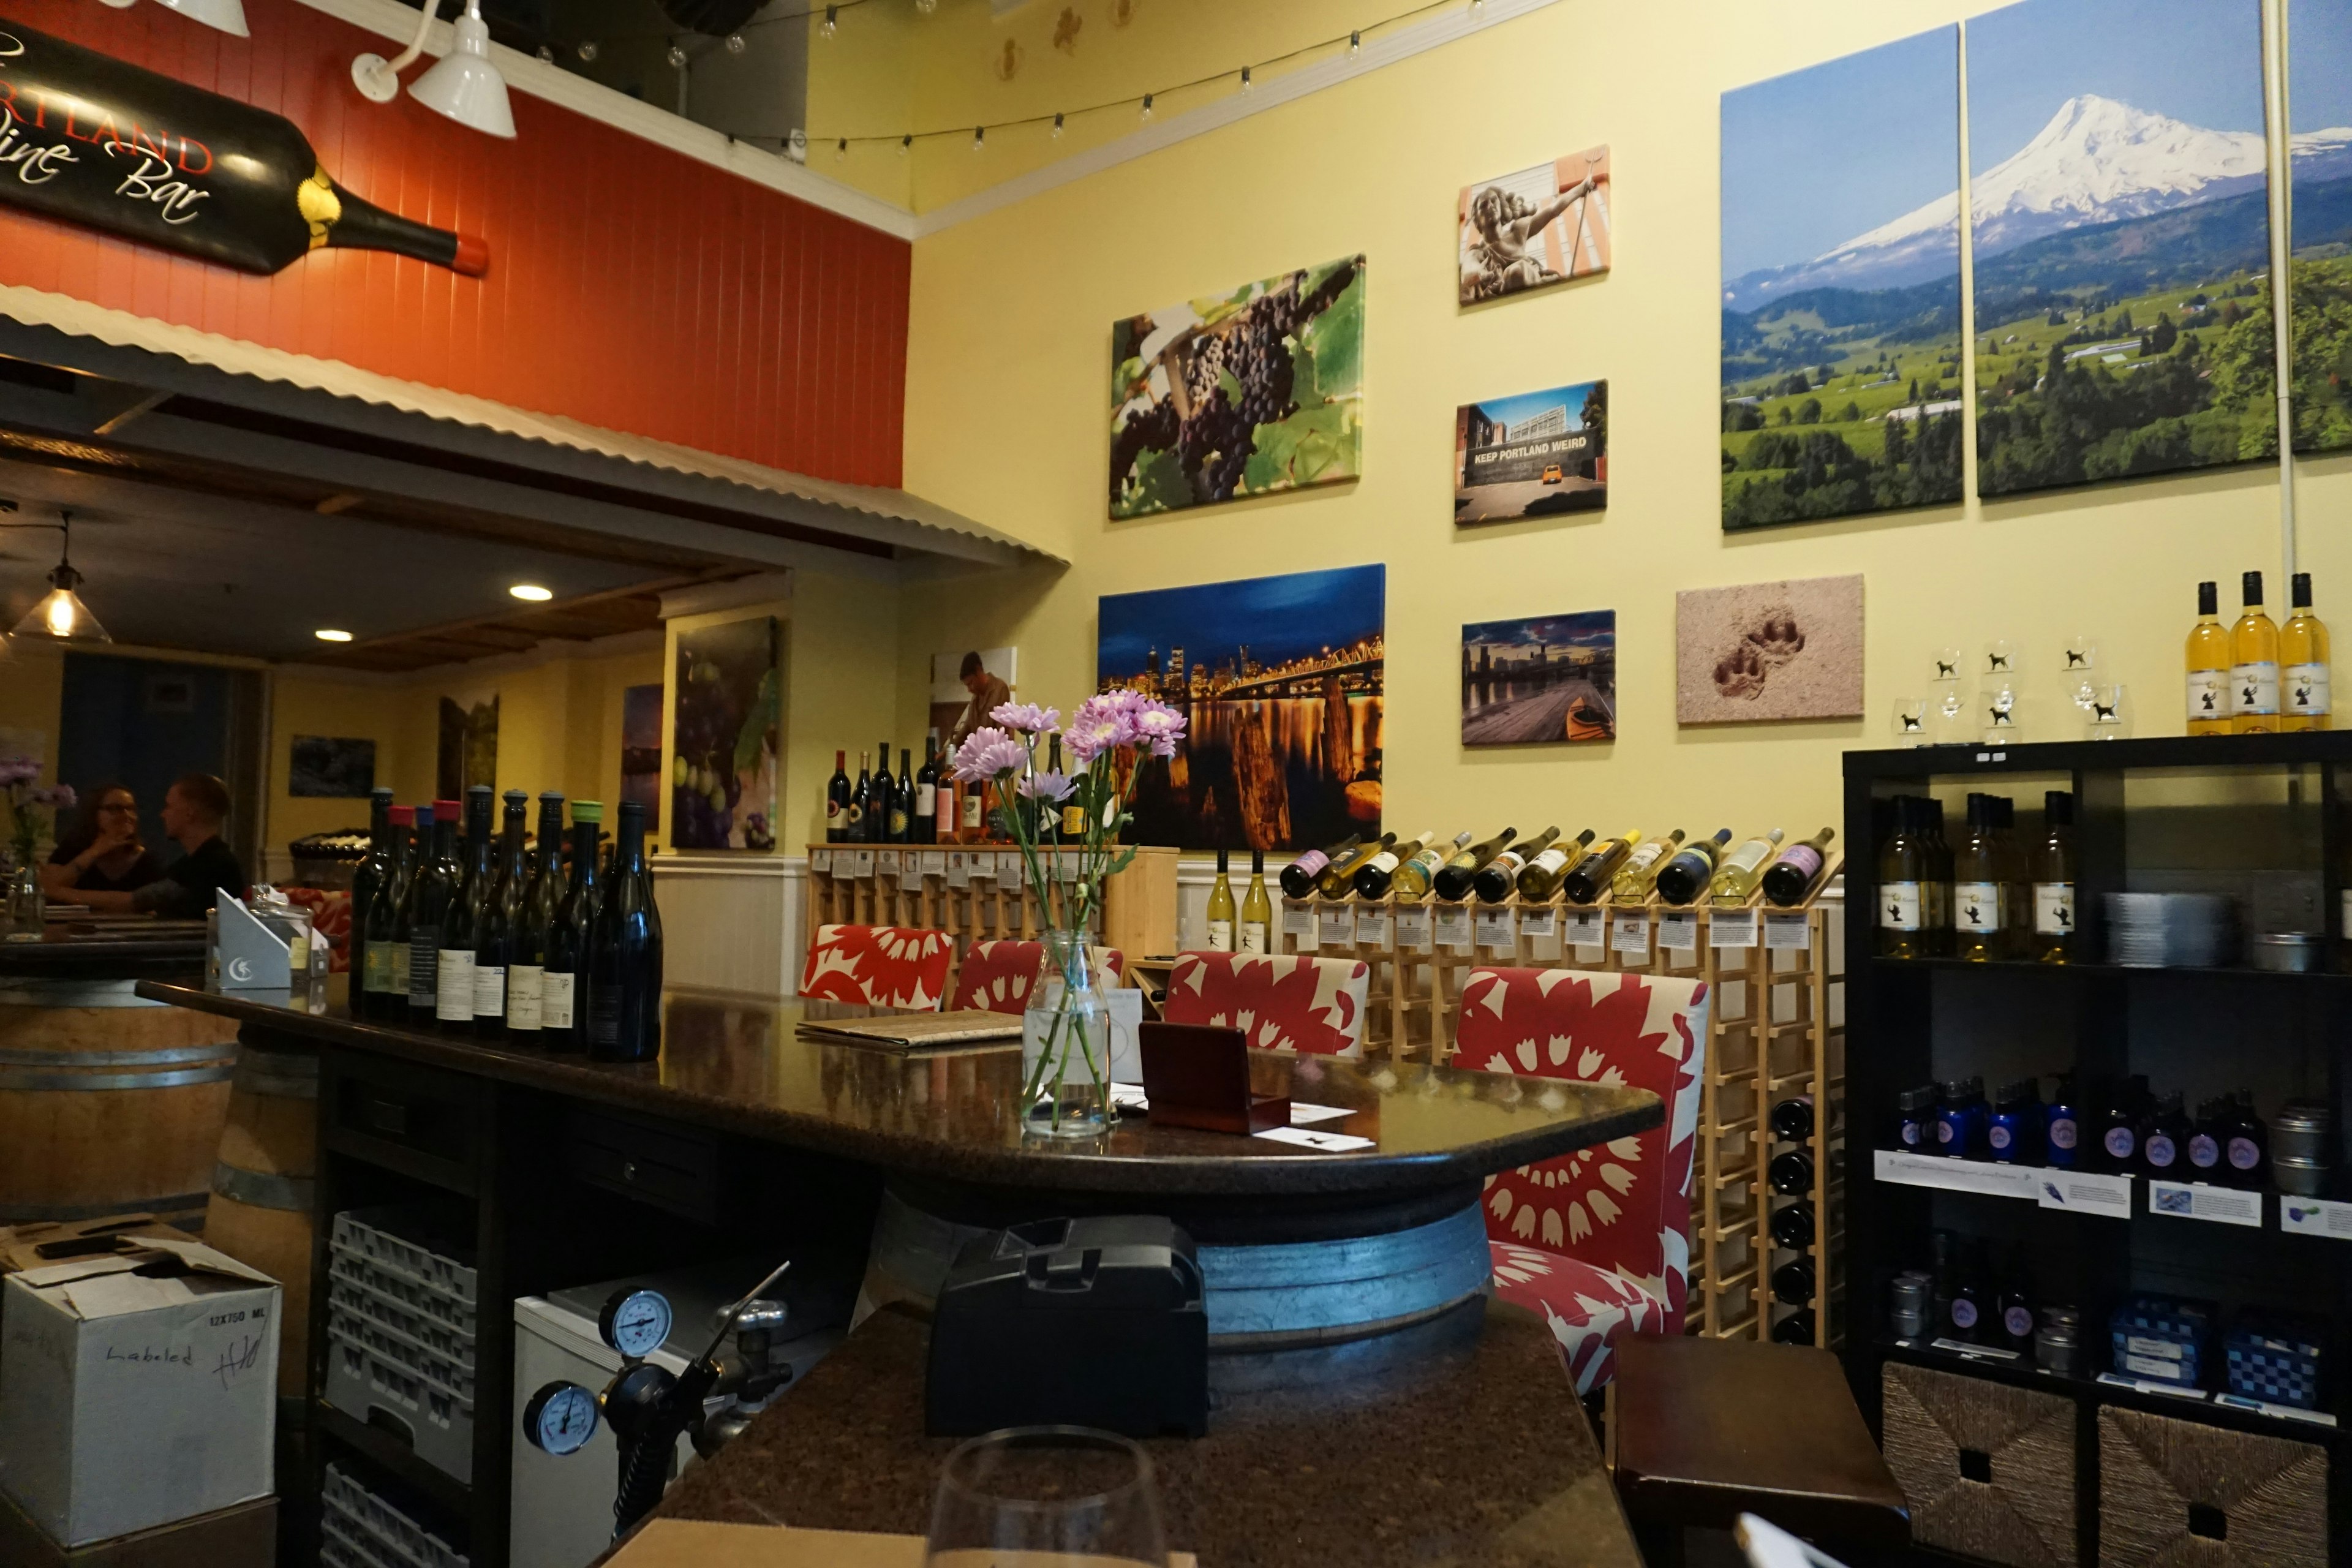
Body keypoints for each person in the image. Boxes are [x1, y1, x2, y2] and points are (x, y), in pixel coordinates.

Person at [73, 772, 248, 919]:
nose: (163, 814)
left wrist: (57, 891)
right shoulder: (195, 860)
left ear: (189, 813)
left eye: (169, 806)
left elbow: (135, 901)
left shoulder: (212, 864)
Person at [40, 785, 165, 899]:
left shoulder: (146, 859)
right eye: (115, 809)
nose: (126, 815)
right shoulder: (72, 849)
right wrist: (94, 852)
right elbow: (47, 887)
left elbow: (143, 902)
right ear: (94, 814)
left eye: (131, 808)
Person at [947, 650, 1013, 748]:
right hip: (979, 758)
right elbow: (967, 729)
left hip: (996, 757)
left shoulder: (999, 688)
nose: (969, 689)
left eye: (971, 683)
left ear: (978, 671)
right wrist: (946, 751)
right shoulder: (975, 700)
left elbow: (1004, 732)